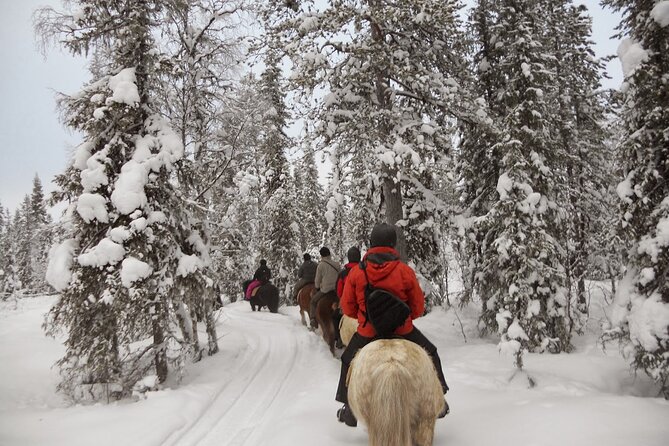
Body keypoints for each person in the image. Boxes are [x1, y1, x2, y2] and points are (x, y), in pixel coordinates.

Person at [335, 223, 450, 427]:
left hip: (368, 332)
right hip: (403, 331)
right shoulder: (404, 271)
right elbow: (417, 307)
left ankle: (349, 408)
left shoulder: (357, 273)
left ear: (371, 243)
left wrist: (364, 319)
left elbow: (347, 307)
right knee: (431, 352)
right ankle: (439, 400)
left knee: (346, 360)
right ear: (392, 244)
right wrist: (402, 319)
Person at [333, 246, 361, 347]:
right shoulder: (364, 270)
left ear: (349, 258)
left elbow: (339, 291)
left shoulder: (343, 274)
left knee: (335, 317)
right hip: (362, 302)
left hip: (348, 303)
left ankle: (339, 339)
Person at [310, 247, 341, 329]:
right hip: (336, 290)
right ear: (329, 254)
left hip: (325, 290)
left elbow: (317, 280)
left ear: (321, 255)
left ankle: (313, 320)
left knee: (313, 301)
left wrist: (317, 288)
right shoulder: (336, 264)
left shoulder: (321, 265)